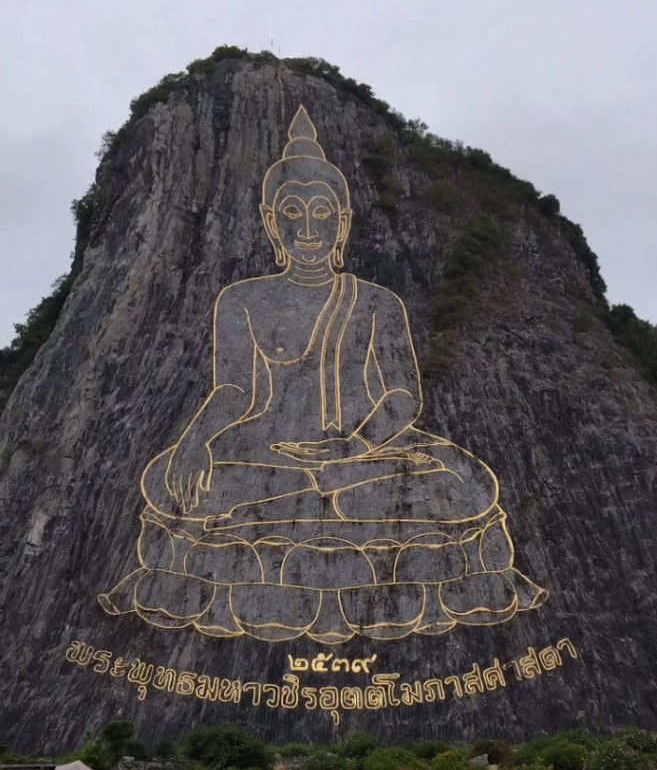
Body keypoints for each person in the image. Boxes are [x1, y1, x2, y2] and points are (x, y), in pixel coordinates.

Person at [99, 107, 547, 646]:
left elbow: (403, 397)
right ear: (271, 220)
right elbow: (235, 389)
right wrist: (195, 442)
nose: (308, 228)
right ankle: (314, 515)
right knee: (170, 480)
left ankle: (304, 517)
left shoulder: (378, 301)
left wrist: (353, 447)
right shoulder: (242, 300)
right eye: (292, 212)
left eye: (321, 213)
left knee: (465, 485)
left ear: (344, 219)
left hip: (367, 456)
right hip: (271, 451)